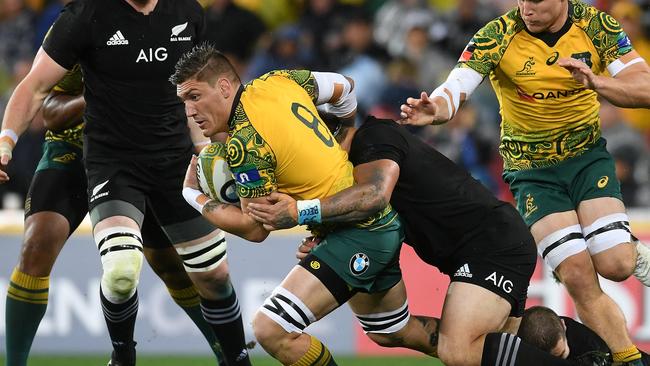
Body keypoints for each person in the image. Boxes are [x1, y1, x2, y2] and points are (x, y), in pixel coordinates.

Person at [399, 0, 650, 364]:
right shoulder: (498, 34)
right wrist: (438, 108)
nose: (526, 6)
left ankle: (634, 254)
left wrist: (597, 82)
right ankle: (629, 359)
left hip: (586, 161)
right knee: (577, 275)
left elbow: (643, 88)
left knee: (616, 265)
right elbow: (458, 83)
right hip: (532, 173)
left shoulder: (597, 26)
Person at [0, 1, 251, 365]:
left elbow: (196, 92)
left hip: (168, 158)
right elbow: (40, 95)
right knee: (58, 248)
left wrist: (211, 152)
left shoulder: (187, 13)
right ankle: (107, 357)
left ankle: (231, 353)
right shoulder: (82, 18)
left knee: (198, 271)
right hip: (91, 153)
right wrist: (6, 141)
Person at [246, 113, 604, 366]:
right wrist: (327, 238)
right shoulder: (348, 169)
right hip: (474, 249)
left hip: (493, 242)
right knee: (391, 332)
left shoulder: (374, 140)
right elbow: (377, 219)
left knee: (459, 351)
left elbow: (375, 197)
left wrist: (301, 213)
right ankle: (576, 347)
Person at [172, 44, 439, 366]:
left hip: (357, 231)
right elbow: (345, 87)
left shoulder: (245, 144)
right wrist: (345, 131)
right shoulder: (279, 81)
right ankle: (504, 347)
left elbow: (255, 228)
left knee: (271, 329)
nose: (189, 111)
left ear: (225, 87)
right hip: (367, 222)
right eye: (184, 101)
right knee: (394, 331)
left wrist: (193, 195)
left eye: (195, 96)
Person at [518, 306, 650, 364]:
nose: (558, 362)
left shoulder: (590, 347)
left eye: (562, 354)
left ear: (564, 326)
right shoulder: (518, 351)